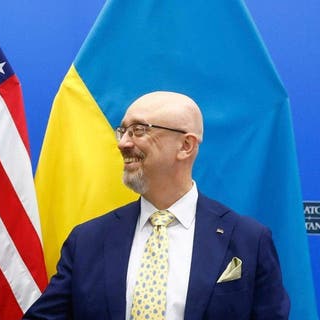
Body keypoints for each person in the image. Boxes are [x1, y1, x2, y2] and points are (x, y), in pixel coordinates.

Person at [23, 91, 289, 319]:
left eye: (139, 130)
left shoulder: (249, 241)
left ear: (185, 145)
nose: (123, 143)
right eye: (122, 130)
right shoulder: (87, 241)